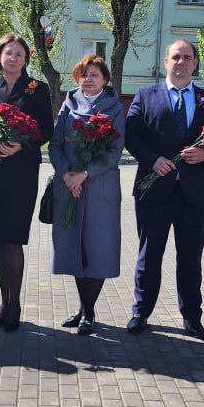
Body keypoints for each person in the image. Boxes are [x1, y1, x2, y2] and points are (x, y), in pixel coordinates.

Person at [123, 40, 204, 339]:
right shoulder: (145, 95)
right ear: (166, 61)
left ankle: (192, 317)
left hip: (193, 194)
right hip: (153, 191)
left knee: (190, 259)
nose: (181, 62)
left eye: (187, 57)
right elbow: (132, 136)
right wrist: (152, 159)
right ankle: (141, 312)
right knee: (148, 255)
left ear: (195, 63)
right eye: (175, 57)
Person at [0, 34, 54, 331]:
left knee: (12, 238)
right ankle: (4, 302)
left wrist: (22, 145)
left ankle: (15, 303)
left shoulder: (36, 89)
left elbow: (46, 129)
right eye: (9, 53)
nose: (14, 58)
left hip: (20, 174)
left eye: (20, 54)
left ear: (26, 59)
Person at [50, 55, 125, 336]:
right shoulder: (68, 105)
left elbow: (115, 151)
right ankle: (83, 309)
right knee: (74, 249)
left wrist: (85, 174)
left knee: (97, 250)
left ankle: (89, 311)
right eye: (84, 74)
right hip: (69, 188)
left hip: (99, 189)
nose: (88, 79)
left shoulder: (114, 107)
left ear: (105, 79)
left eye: (95, 74)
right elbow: (55, 145)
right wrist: (67, 174)